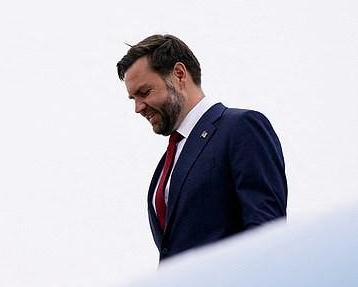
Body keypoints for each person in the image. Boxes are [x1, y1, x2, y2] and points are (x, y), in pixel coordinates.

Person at [117, 34, 287, 261]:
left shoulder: (240, 127)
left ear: (179, 74)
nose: (138, 108)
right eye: (133, 98)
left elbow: (267, 232)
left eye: (145, 92)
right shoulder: (169, 160)